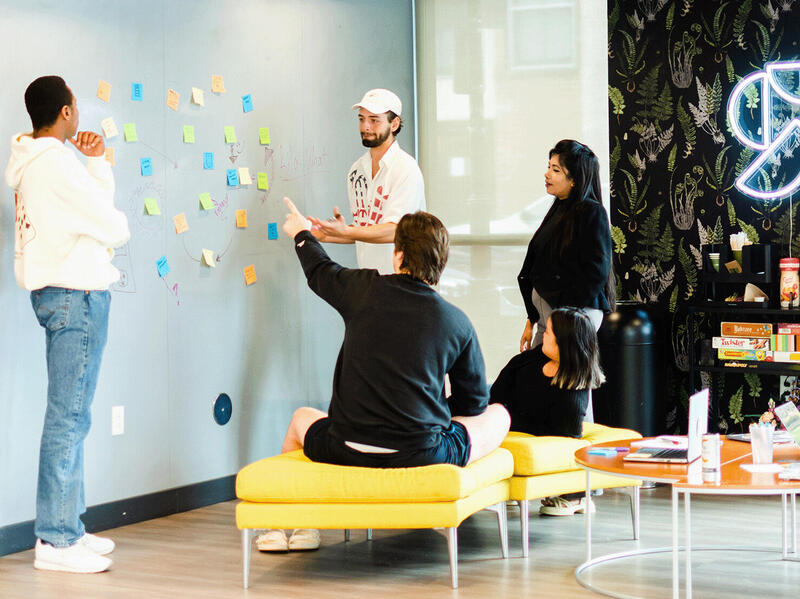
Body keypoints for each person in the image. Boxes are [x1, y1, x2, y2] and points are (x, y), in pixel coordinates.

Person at [255, 199, 510, 552]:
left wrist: (301, 231)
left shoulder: (361, 289)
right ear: (441, 263)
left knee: (301, 417)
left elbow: (319, 270)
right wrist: (429, 410)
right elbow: (474, 403)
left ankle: (294, 529)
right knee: (499, 414)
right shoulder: (457, 322)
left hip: (346, 447)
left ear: (398, 256)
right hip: (422, 453)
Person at [5, 76, 130, 573]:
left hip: (57, 295)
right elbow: (114, 226)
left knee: (72, 414)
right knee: (68, 417)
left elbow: (92, 214)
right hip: (76, 297)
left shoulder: (34, 162)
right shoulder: (56, 164)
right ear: (66, 111)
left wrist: (95, 162)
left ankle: (68, 528)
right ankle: (56, 540)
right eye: (75, 105)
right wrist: (97, 168)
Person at [490, 307, 606, 516]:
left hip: (527, 428)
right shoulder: (530, 360)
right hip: (504, 418)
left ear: (563, 342)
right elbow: (496, 394)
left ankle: (576, 496)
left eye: (549, 332)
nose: (543, 334)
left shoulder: (572, 393)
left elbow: (565, 440)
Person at [307, 88, 425, 274]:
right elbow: (365, 229)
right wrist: (326, 234)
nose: (365, 127)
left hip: (405, 281)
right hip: (370, 279)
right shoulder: (356, 171)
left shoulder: (406, 168)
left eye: (374, 120)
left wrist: (346, 231)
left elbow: (396, 230)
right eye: (361, 119)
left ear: (394, 124)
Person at [517, 140, 614, 353]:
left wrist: (566, 316)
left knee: (553, 373)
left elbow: (595, 273)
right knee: (529, 369)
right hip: (548, 320)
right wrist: (531, 319)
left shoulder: (591, 212)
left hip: (571, 320)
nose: (547, 174)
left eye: (556, 170)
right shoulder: (559, 208)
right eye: (548, 167)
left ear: (574, 179)